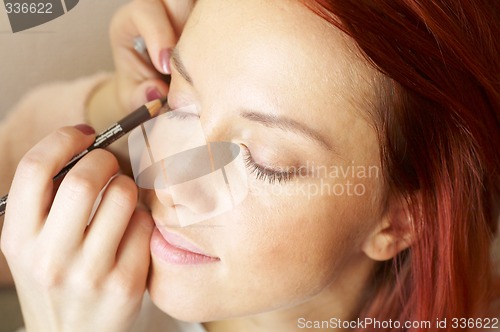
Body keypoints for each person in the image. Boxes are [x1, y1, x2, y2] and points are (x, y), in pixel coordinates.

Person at [0, 0, 499, 331]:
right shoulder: (99, 253)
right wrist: (114, 98)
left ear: (400, 218)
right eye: (180, 105)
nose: (170, 178)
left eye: (265, 162)